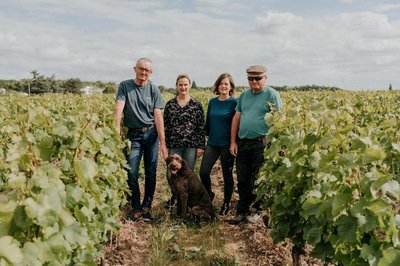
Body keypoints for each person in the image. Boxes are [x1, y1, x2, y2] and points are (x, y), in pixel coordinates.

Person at [115, 57, 168, 222]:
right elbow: (119, 108)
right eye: (141, 69)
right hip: (134, 136)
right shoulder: (125, 86)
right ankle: (136, 206)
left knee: (151, 172)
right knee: (131, 171)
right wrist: (116, 128)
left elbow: (158, 116)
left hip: (151, 135)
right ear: (135, 69)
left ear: (150, 72)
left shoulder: (153, 89)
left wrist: (162, 142)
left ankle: (146, 207)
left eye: (147, 70)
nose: (144, 72)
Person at [229, 64, 283, 224]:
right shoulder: (244, 96)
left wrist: (275, 142)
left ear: (265, 78)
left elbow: (280, 119)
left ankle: (256, 209)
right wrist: (233, 141)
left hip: (262, 142)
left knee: (258, 179)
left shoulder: (272, 95)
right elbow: (236, 118)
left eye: (257, 78)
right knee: (243, 178)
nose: (254, 82)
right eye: (250, 79)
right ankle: (242, 210)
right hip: (243, 143)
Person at [164, 74, 206, 207]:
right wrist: (164, 145)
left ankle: (186, 201)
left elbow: (200, 127)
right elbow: (165, 126)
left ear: (189, 86)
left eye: (185, 84)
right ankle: (175, 197)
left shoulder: (196, 105)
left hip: (190, 146)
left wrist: (200, 146)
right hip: (174, 145)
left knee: (187, 175)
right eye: (180, 85)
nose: (183, 87)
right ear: (177, 86)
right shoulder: (170, 104)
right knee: (171, 175)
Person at [199, 73, 237, 216]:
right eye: (221, 83)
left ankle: (226, 203)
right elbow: (208, 123)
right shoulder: (212, 102)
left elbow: (236, 124)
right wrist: (204, 142)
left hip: (227, 145)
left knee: (227, 175)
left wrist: (234, 143)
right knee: (203, 172)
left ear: (231, 86)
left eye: (226, 84)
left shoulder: (235, 102)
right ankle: (209, 194)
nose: (223, 86)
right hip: (213, 144)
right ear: (217, 86)